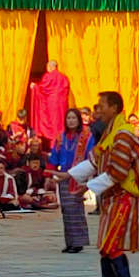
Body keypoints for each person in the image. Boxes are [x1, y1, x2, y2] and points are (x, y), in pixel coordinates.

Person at [68, 91, 139, 277]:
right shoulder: (110, 133)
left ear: (113, 108)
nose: (97, 110)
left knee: (111, 245)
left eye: (101, 105)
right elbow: (95, 159)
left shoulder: (123, 135)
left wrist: (87, 186)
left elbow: (118, 172)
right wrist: (70, 175)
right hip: (111, 199)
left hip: (123, 198)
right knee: (104, 246)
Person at [50, 107, 94, 253]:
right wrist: (49, 174)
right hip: (64, 177)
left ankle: (78, 242)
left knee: (75, 209)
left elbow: (91, 157)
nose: (71, 121)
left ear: (79, 120)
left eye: (73, 118)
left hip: (78, 177)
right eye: (68, 118)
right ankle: (70, 241)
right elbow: (54, 157)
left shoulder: (87, 137)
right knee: (66, 210)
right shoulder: (60, 137)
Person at [30, 59, 72, 145]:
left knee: (53, 123)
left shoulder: (49, 76)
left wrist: (35, 86)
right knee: (60, 123)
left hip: (52, 103)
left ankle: (53, 145)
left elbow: (43, 88)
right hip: (62, 105)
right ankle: (61, 142)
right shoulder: (64, 78)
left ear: (50, 67)